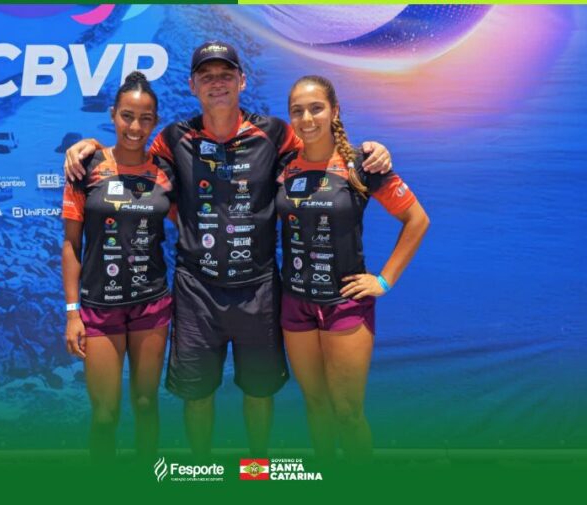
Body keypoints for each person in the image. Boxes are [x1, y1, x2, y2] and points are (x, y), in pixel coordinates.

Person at [64, 41, 393, 459]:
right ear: (192, 85)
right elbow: (131, 156)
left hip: (258, 289)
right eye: (207, 76)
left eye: (225, 75)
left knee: (259, 393)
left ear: (242, 80)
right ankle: (203, 471)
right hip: (196, 291)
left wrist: (372, 150)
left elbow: (322, 145)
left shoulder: (277, 133)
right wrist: (90, 145)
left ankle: (255, 472)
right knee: (197, 395)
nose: (216, 83)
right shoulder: (173, 138)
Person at [276, 75, 429, 465]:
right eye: (297, 111)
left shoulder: (363, 163)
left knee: (347, 412)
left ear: (335, 111)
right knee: (315, 405)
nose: (306, 118)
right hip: (295, 305)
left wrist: (384, 280)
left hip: (344, 305)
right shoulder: (283, 164)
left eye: (316, 108)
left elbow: (417, 220)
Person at [61, 71, 175, 465]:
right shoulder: (86, 165)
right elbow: (71, 244)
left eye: (145, 119)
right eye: (127, 116)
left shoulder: (166, 171)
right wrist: (72, 313)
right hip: (99, 307)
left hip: (151, 306)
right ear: (113, 115)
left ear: (155, 121)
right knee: (105, 415)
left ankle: (147, 483)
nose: (135, 127)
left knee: (145, 404)